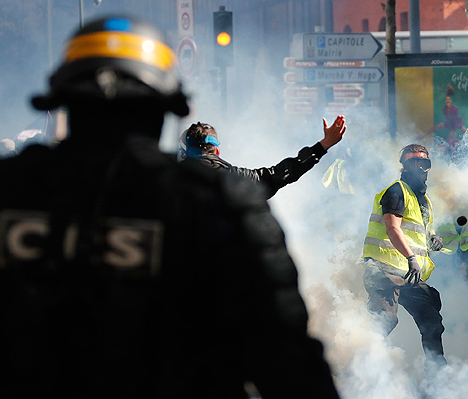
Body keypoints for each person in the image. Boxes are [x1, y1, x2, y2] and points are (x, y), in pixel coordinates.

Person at [0, 16, 340, 398]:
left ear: (63, 102)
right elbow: (286, 359)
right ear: (165, 106)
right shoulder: (219, 202)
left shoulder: (10, 191)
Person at [361, 144, 446, 373]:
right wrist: (410, 257)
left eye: (424, 163)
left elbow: (422, 231)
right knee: (383, 321)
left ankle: (438, 374)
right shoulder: (397, 190)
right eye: (413, 163)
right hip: (384, 269)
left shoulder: (424, 201)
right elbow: (392, 227)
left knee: (431, 320)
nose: (419, 167)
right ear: (404, 167)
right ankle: (358, 368)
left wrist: (433, 239)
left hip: (409, 273)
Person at [181, 117, 346, 199]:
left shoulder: (165, 178)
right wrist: (323, 145)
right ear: (216, 151)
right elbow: (281, 174)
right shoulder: (234, 180)